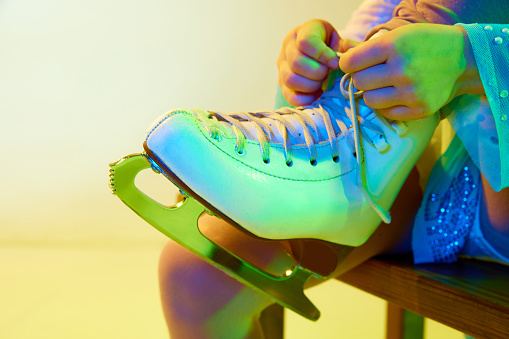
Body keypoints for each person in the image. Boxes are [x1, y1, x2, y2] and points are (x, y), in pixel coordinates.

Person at [158, 1, 509, 338]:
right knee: (195, 275)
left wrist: (471, 59)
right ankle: (337, 139)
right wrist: (327, 67)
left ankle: (343, 148)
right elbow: (394, 18)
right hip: (445, 186)